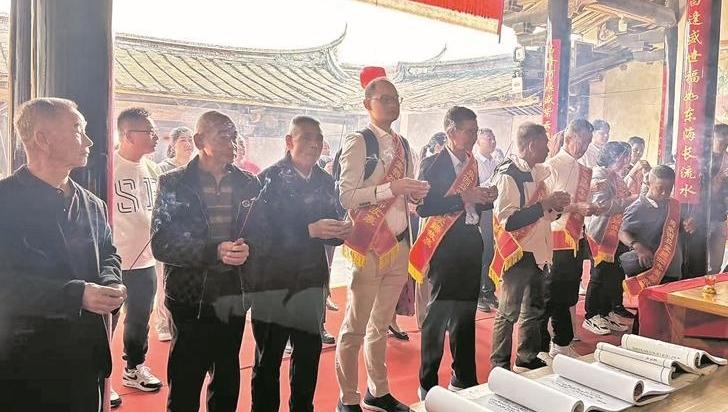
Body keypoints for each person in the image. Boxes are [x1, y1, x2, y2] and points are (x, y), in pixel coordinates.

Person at [0, 97, 126, 411]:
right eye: (78, 130)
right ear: (42, 139)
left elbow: (108, 254)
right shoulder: (5, 200)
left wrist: (111, 283)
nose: (89, 141)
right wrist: (76, 294)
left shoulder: (92, 203)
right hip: (23, 358)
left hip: (85, 354)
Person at [151, 110, 262, 412]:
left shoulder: (249, 183)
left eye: (234, 136)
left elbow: (262, 234)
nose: (233, 143)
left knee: (226, 379)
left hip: (233, 295)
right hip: (190, 298)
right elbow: (162, 243)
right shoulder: (174, 183)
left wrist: (248, 249)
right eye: (224, 135)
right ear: (200, 141)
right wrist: (215, 250)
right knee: (185, 381)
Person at [335, 72, 429, 412]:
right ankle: (347, 397)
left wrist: (414, 194)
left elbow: (404, 193)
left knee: (381, 323)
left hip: (399, 243)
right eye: (384, 99)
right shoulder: (360, 142)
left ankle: (378, 390)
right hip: (369, 245)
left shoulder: (403, 145)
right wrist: (392, 188)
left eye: (395, 100)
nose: (392, 105)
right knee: (355, 326)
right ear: (367, 104)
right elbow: (346, 196)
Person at [247, 115, 352, 412]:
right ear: (289, 141)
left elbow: (332, 227)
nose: (314, 144)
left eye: (318, 139)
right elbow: (258, 235)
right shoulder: (266, 179)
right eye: (306, 138)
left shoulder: (325, 181)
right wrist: (308, 230)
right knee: (268, 357)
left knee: (308, 355)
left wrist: (341, 231)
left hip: (311, 281)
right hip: (272, 283)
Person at [412, 107, 498, 399]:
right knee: (438, 313)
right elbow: (424, 207)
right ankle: (427, 381)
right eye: (469, 131)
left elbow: (473, 203)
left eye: (475, 131)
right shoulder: (432, 164)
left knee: (465, 312)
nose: (474, 137)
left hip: (471, 241)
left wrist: (485, 198)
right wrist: (464, 197)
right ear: (451, 132)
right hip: (444, 244)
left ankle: (463, 377)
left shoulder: (472, 163)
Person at [490, 122, 570, 373]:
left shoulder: (538, 172)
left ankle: (526, 357)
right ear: (532, 144)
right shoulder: (509, 174)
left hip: (539, 250)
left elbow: (545, 214)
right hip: (518, 251)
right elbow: (509, 221)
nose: (548, 149)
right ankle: (499, 363)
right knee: (508, 311)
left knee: (534, 308)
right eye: (545, 144)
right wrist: (545, 204)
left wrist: (556, 207)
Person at [111, 108, 164, 401]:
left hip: (145, 260)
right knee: (107, 322)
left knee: (140, 319)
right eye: (149, 132)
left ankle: (134, 368)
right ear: (128, 135)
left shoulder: (153, 169)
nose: (155, 137)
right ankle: (101, 376)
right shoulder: (108, 167)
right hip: (113, 261)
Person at [540, 119, 599, 359]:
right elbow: (545, 207)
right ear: (568, 138)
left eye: (588, 143)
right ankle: (541, 347)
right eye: (581, 141)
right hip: (555, 239)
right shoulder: (551, 167)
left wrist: (590, 206)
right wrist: (576, 207)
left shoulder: (583, 169)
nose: (584, 147)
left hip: (575, 239)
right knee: (550, 295)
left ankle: (562, 343)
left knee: (568, 294)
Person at [619, 165, 696, 296]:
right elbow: (622, 232)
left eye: (669, 189)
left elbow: (676, 228)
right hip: (651, 267)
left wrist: (687, 225)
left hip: (672, 266)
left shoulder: (673, 205)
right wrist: (638, 247)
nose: (664, 193)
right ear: (650, 183)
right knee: (651, 304)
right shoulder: (638, 207)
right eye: (660, 188)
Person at [583, 142, 634, 336]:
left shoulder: (615, 176)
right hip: (601, 233)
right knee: (599, 275)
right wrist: (629, 200)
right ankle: (591, 315)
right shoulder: (599, 175)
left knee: (613, 275)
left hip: (617, 233)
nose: (626, 161)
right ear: (612, 157)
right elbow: (602, 206)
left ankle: (605, 312)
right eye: (623, 157)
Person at [474, 127, 501, 312]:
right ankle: (477, 294)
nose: (492, 142)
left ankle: (489, 291)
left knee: (491, 252)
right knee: (481, 252)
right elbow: (474, 187)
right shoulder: (475, 162)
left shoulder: (496, 162)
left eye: (493, 138)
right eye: (488, 139)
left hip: (494, 212)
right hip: (480, 212)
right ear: (478, 142)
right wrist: (490, 183)